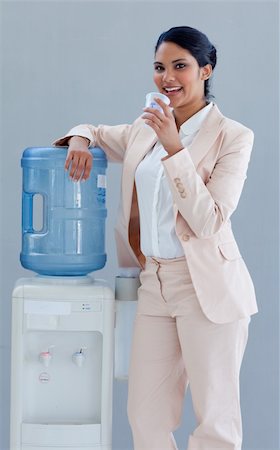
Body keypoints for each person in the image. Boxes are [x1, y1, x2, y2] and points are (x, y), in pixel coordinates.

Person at [53, 25, 258, 450]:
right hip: (155, 286)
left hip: (207, 287)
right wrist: (79, 138)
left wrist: (174, 148)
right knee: (144, 416)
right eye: (160, 67)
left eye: (180, 66)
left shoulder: (232, 137)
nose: (168, 77)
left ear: (206, 70)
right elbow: (92, 129)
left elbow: (208, 221)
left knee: (215, 422)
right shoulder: (143, 129)